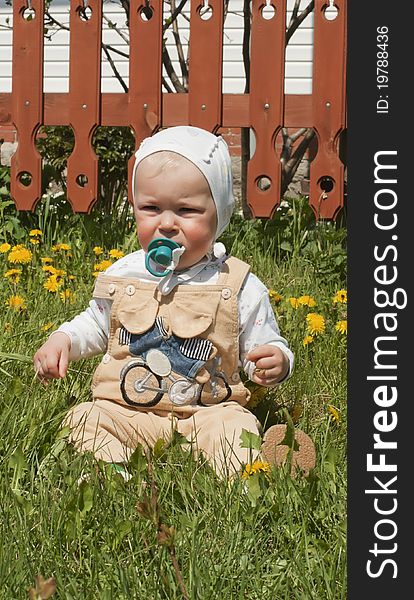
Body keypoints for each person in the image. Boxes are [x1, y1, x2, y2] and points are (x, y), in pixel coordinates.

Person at [33, 126, 315, 478]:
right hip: (127, 411)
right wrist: (63, 340)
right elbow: (96, 323)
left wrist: (276, 360)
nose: (166, 223)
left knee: (234, 431)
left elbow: (264, 342)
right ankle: (115, 474)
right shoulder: (125, 274)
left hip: (209, 411)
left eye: (186, 210)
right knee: (83, 419)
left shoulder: (238, 284)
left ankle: (244, 480)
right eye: (151, 208)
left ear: (219, 215)